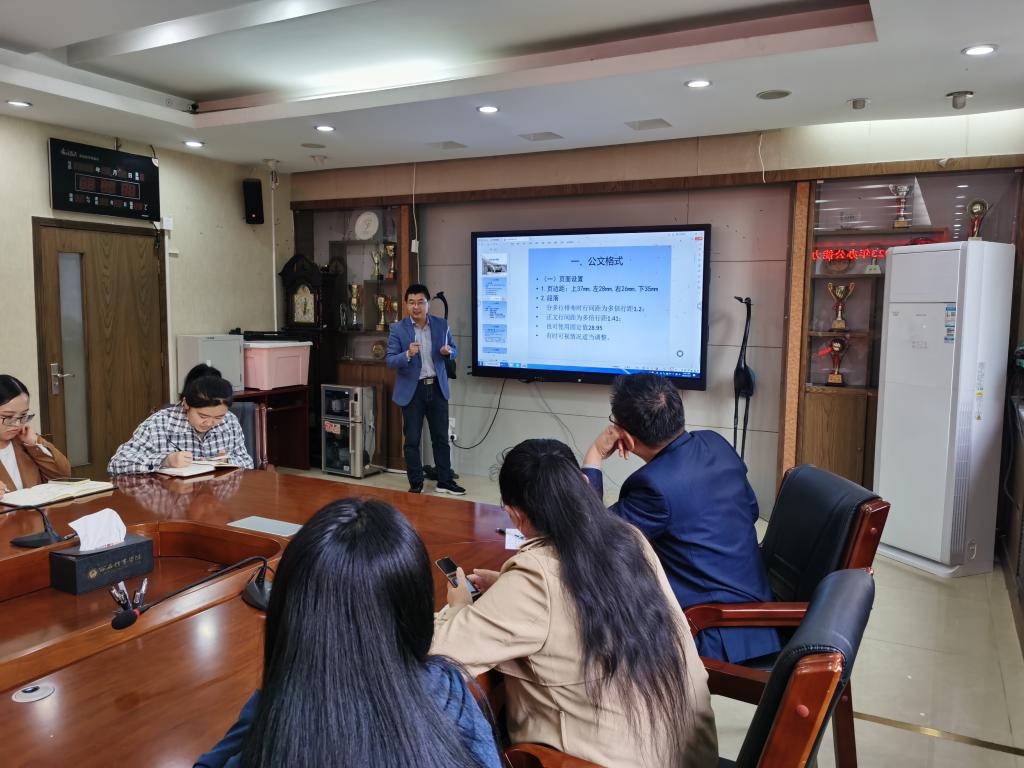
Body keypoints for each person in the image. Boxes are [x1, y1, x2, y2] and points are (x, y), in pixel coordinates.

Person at [432, 439, 717, 768]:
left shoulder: (536, 579)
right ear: (582, 484)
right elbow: (588, 598)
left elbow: (438, 654)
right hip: (688, 755)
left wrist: (459, 605)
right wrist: (507, 588)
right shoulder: (631, 539)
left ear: (514, 515)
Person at [195, 498, 501, 768]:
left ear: (289, 615)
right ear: (415, 611)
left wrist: (266, 704)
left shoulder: (279, 720)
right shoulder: (446, 688)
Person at [582, 373, 780, 664]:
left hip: (713, 633)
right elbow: (750, 511)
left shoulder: (653, 486)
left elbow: (590, 539)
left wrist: (595, 455)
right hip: (762, 621)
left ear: (626, 436)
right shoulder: (716, 443)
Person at [386, 283, 464, 495]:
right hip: (413, 392)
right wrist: (407, 354)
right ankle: (416, 483)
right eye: (411, 302)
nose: (416, 307)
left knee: (441, 438)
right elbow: (390, 360)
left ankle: (445, 481)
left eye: (421, 302)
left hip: (437, 387)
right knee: (412, 440)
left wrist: (449, 352)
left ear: (428, 304)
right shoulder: (398, 329)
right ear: (406, 304)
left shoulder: (441, 325)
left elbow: (454, 350)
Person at [108, 364, 253, 475]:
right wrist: (165, 460)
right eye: (203, 416)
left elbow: (247, 462)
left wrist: (227, 461)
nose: (210, 423)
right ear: (186, 403)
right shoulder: (160, 423)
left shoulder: (230, 421)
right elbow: (117, 463)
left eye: (218, 417)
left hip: (215, 498)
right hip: (174, 497)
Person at [0, 375, 72, 499]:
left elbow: (63, 476)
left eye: (23, 416)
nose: (17, 424)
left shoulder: (24, 441)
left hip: (37, 510)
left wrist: (34, 443)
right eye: (8, 417)